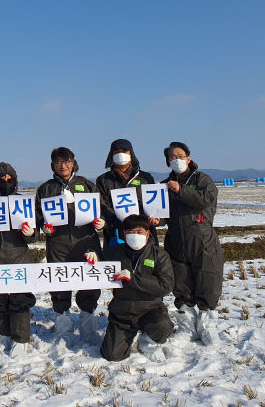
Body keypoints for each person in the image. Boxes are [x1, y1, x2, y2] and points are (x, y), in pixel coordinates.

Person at [34, 147, 103, 345]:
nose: (63, 166)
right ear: (52, 166)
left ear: (73, 163)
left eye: (67, 162)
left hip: (86, 241)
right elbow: (38, 216)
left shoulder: (86, 185)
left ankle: (88, 329)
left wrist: (101, 221)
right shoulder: (46, 189)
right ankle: (63, 329)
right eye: (58, 163)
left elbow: (101, 209)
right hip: (58, 244)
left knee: (89, 283)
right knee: (59, 283)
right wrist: (44, 227)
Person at [162, 141, 223, 345]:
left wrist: (181, 190)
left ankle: (207, 326)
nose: (176, 160)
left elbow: (204, 200)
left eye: (180, 156)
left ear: (188, 158)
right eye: (172, 157)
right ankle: (187, 326)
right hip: (176, 240)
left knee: (208, 282)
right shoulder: (164, 185)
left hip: (202, 239)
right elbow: (162, 212)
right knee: (181, 284)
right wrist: (155, 220)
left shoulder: (203, 179)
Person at [0, 162, 38, 357]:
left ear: (15, 181)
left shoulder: (23, 203)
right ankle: (4, 333)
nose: (5, 181)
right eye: (1, 179)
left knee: (20, 299)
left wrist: (30, 233)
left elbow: (34, 236)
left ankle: (20, 338)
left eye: (9, 178)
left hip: (18, 257)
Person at [100, 214, 174, 362]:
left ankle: (147, 341)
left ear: (147, 234)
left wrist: (133, 279)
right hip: (122, 313)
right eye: (130, 232)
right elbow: (97, 265)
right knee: (112, 355)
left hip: (150, 309)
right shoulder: (115, 252)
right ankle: (123, 335)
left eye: (139, 232)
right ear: (123, 234)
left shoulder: (159, 255)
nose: (135, 235)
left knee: (163, 327)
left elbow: (166, 285)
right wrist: (92, 256)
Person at [96, 139, 161, 257]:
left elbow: (155, 204)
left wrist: (157, 220)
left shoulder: (145, 178)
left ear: (131, 153)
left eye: (124, 151)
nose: (120, 154)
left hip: (144, 233)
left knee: (146, 269)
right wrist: (120, 220)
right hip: (116, 234)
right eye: (116, 151)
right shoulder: (103, 180)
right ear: (111, 155)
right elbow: (103, 205)